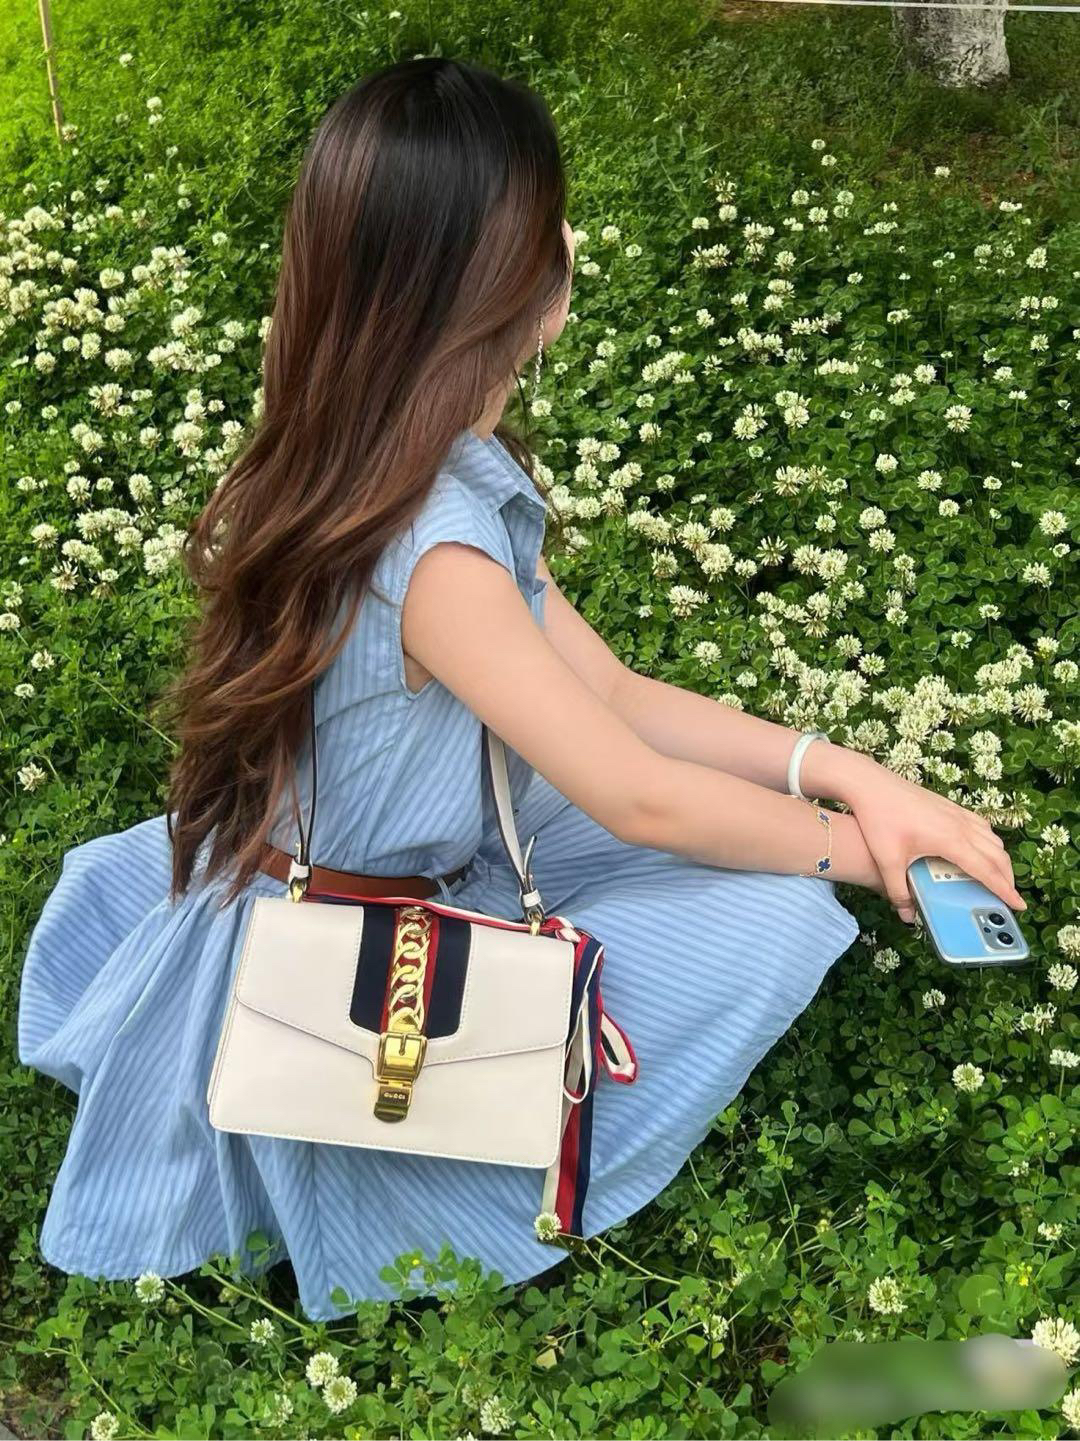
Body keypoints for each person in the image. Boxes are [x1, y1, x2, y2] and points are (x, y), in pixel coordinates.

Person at [17, 57, 1024, 1323]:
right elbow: (640, 793)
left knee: (704, 836)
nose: (570, 246)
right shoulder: (434, 547)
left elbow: (615, 693)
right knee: (769, 907)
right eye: (553, 226)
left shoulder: (392, 452)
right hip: (357, 944)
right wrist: (865, 852)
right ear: (513, 294)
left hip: (385, 844)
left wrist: (847, 774)